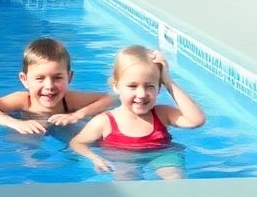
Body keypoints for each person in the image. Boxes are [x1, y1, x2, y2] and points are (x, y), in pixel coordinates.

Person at [68, 45, 205, 178]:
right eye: (132, 86)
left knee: (175, 177)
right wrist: (94, 158)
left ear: (159, 87)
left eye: (150, 86)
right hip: (124, 158)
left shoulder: (162, 113)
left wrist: (168, 81)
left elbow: (196, 120)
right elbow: (77, 143)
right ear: (116, 86)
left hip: (162, 154)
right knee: (126, 177)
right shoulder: (105, 121)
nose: (141, 94)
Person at [0, 37, 114, 136]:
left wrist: (76, 115)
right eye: (39, 78)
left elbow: (110, 99)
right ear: (25, 80)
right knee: (26, 146)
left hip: (65, 124)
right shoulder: (23, 100)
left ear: (69, 77)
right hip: (27, 124)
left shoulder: (70, 99)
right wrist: (15, 123)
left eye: (57, 78)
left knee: (79, 140)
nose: (49, 86)